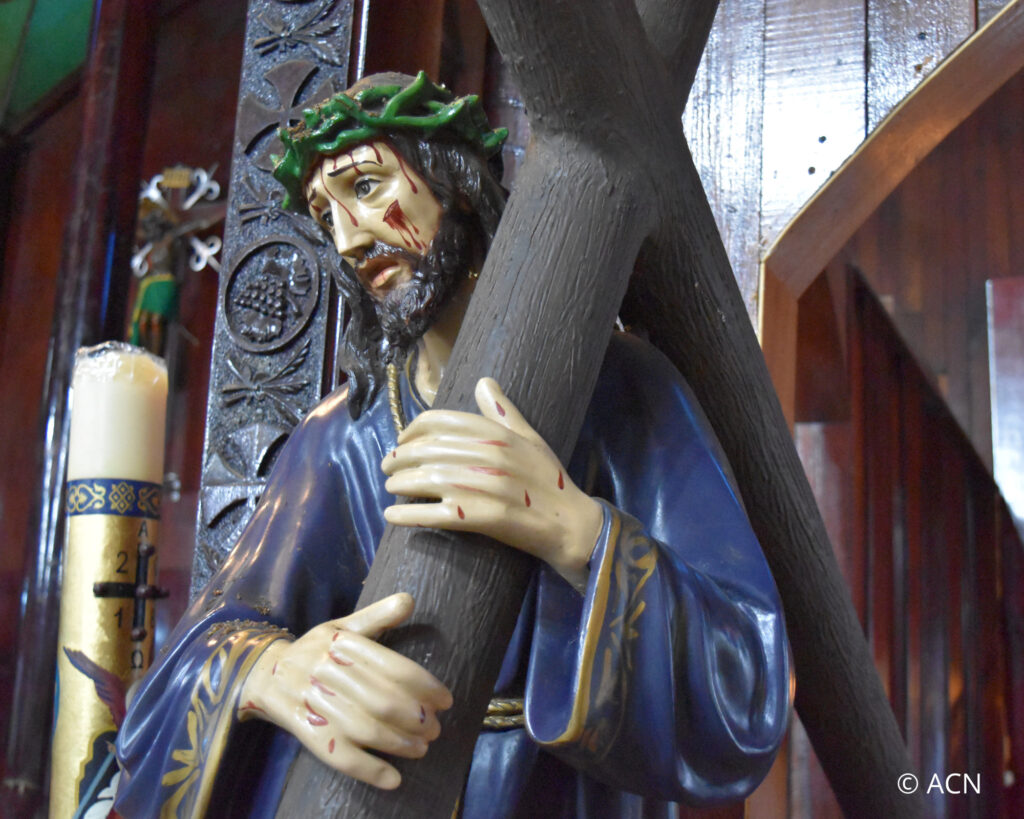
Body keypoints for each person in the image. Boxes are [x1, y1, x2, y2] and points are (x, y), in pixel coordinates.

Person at [115, 72, 789, 818]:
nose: (349, 238)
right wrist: (277, 671)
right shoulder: (341, 437)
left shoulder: (624, 389)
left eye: (366, 187)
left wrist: (575, 531)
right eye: (326, 214)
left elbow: (744, 679)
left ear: (455, 186)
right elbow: (195, 660)